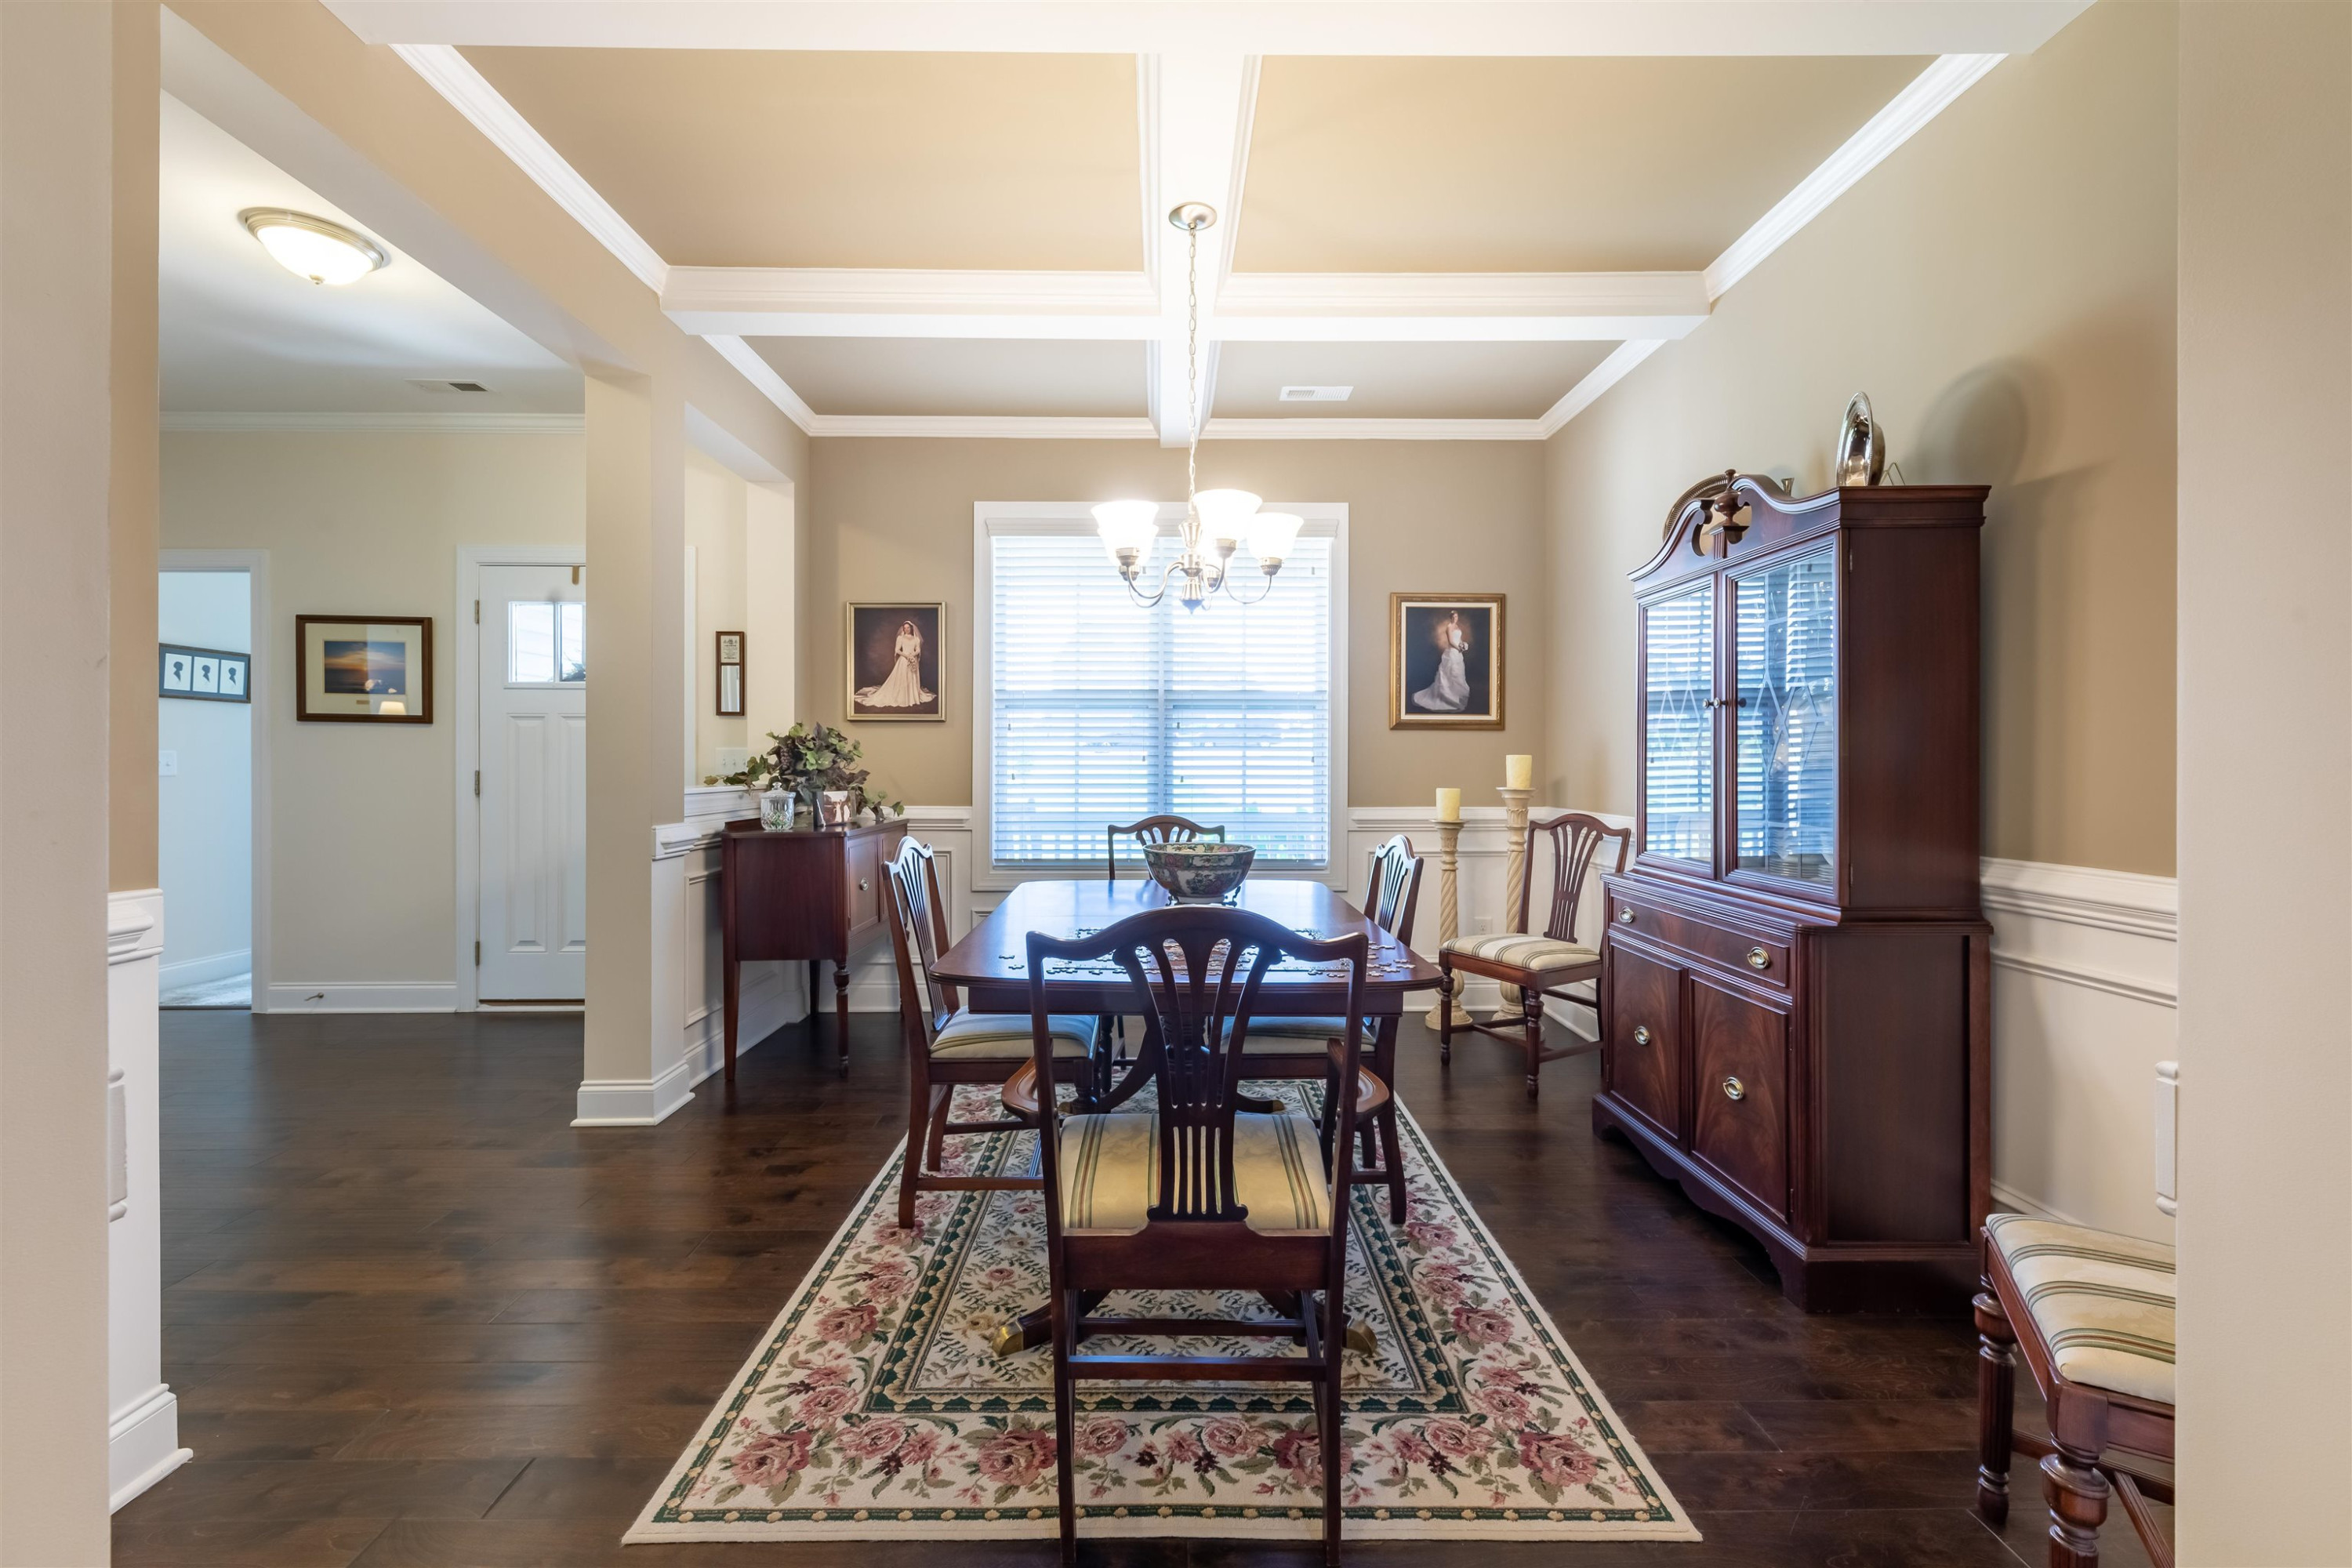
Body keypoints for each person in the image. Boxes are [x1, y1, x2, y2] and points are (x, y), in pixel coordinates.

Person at [856, 619, 935, 709]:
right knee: (902, 678)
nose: (906, 630)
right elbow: (897, 650)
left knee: (911, 678)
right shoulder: (900, 638)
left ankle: (912, 697)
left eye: (908, 628)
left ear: (911, 628)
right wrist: (906, 656)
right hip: (904, 660)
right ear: (903, 629)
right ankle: (903, 697)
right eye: (905, 628)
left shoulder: (916, 639)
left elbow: (918, 650)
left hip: (913, 660)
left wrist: (913, 655)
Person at [1411, 610, 1471, 712]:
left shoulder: (1457, 627)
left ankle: (1457, 695)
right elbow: (1451, 641)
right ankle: (1448, 697)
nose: (1455, 619)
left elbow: (1459, 639)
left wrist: (1463, 644)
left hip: (1458, 653)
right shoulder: (1449, 627)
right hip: (1452, 651)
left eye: (1457, 617)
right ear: (1450, 618)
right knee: (1450, 674)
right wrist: (1458, 648)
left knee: (1458, 673)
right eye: (1454, 617)